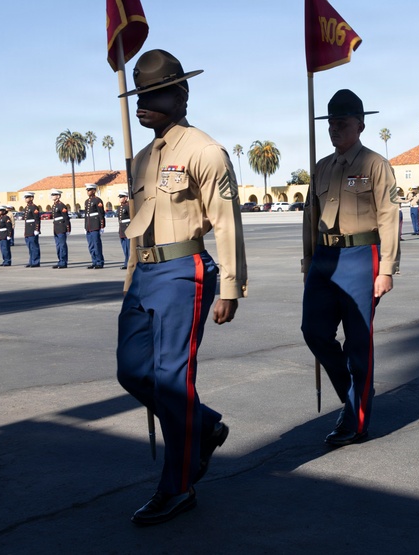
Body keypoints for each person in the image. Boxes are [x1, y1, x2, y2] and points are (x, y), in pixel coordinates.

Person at [116, 49, 247, 526]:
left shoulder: (204, 151)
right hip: (146, 275)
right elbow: (138, 224)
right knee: (132, 372)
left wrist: (231, 286)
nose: (141, 104)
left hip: (183, 271)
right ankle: (206, 425)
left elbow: (227, 222)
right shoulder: (144, 158)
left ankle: (177, 486)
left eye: (152, 94)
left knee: (172, 381)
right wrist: (130, 277)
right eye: (138, 95)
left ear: (180, 93)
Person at [302, 89, 399, 446]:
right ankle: (353, 394)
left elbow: (389, 217)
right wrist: (308, 260)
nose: (335, 129)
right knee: (313, 331)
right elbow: (309, 217)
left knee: (358, 340)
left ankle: (356, 420)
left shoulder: (375, 164)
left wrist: (387, 268)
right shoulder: (322, 166)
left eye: (342, 123)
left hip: (361, 256)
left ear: (360, 124)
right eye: (331, 123)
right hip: (325, 260)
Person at [84, 183, 106, 269]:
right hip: (89, 226)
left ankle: (99, 262)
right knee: (91, 245)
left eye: (89, 190)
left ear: (94, 191)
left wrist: (102, 226)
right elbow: (86, 216)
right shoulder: (86, 201)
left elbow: (101, 214)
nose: (88, 191)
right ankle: (94, 261)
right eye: (87, 190)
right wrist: (85, 227)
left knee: (97, 244)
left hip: (95, 226)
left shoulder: (98, 200)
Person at [50, 189, 72, 269]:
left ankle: (63, 262)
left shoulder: (61, 205)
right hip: (56, 227)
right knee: (58, 246)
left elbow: (66, 218)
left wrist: (68, 229)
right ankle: (60, 261)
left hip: (61, 227)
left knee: (62, 245)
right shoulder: (54, 205)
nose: (52, 196)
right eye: (52, 195)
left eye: (54, 195)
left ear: (58, 196)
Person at [20, 192, 41, 267]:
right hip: (28, 229)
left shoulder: (34, 207)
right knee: (30, 246)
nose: (26, 199)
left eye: (27, 197)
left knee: (34, 246)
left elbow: (37, 219)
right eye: (25, 197)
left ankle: (36, 262)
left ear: (32, 198)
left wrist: (37, 229)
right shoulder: (27, 207)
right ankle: (31, 261)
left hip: (32, 229)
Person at [117, 191, 132, 269]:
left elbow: (131, 217)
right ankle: (126, 263)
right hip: (122, 229)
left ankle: (129, 263)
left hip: (127, 227)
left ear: (126, 198)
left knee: (129, 247)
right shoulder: (120, 207)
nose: (120, 198)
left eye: (121, 197)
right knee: (124, 247)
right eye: (119, 197)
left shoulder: (128, 206)